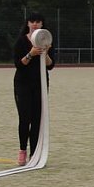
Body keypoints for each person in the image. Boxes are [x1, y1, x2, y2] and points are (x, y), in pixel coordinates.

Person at [13, 12, 55, 165]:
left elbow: (50, 65)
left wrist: (46, 53)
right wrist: (31, 54)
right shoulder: (21, 41)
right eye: (32, 21)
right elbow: (18, 64)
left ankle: (34, 154)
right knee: (25, 119)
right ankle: (22, 150)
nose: (35, 24)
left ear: (42, 24)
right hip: (22, 84)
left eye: (38, 21)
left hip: (40, 85)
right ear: (28, 23)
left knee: (37, 120)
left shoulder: (47, 41)